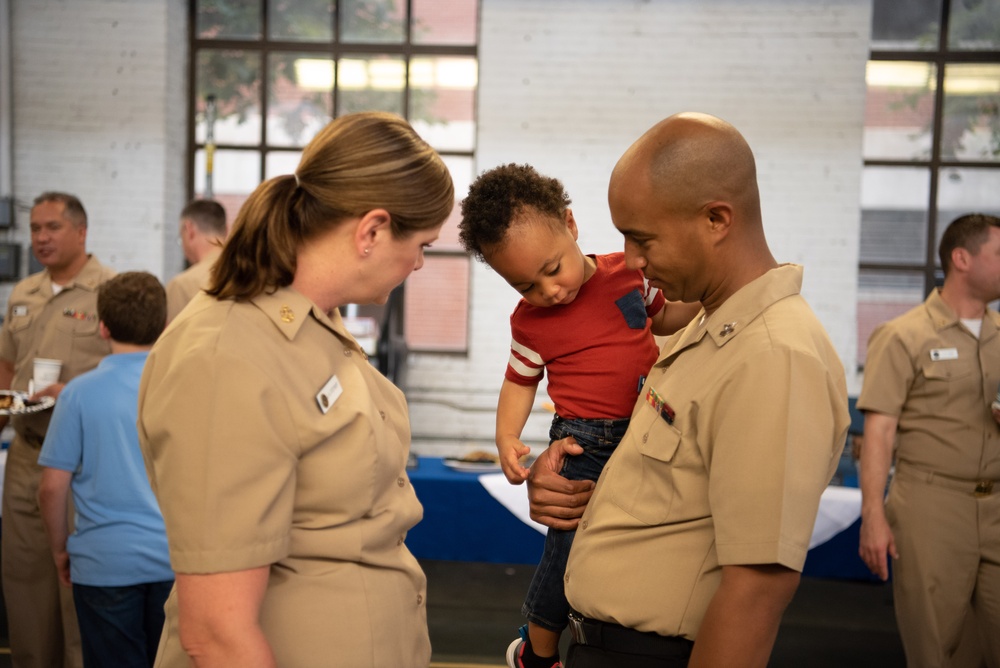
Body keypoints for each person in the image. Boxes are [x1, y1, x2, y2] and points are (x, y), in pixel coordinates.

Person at [524, 112, 850, 667]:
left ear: (717, 218)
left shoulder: (773, 355)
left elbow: (756, 590)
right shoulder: (704, 328)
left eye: (643, 238)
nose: (630, 261)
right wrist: (567, 488)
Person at [137, 111, 454, 668]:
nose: (421, 263)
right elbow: (216, 631)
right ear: (373, 231)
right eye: (422, 243)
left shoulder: (316, 328)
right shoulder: (226, 354)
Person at [458, 163, 699, 668]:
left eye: (552, 269)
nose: (549, 291)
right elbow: (519, 382)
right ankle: (538, 650)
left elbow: (668, 316)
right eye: (526, 285)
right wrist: (507, 438)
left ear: (570, 225)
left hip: (647, 427)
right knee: (567, 548)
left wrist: (711, 302)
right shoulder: (530, 324)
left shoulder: (628, 276)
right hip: (581, 441)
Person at [857, 212, 1000, 667]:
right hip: (931, 507)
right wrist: (873, 516)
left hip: (997, 506)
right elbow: (879, 431)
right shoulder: (903, 336)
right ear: (962, 258)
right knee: (935, 650)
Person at [0, 191, 116, 668]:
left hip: (84, 461)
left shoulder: (110, 290)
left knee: (78, 583)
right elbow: (6, 364)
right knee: (25, 581)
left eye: (53, 228)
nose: (41, 238)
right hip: (27, 451)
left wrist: (73, 392)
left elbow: (132, 372)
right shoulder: (23, 293)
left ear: (81, 231)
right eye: (35, 229)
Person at [37, 271, 173, 668]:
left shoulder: (78, 394)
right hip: (174, 559)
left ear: (102, 327)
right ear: (165, 326)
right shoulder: (181, 387)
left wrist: (60, 549)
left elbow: (51, 488)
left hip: (103, 565)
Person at [165, 198, 227, 321]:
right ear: (227, 230)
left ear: (189, 230)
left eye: (181, 238)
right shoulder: (252, 277)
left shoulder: (182, 285)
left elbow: (171, 338)